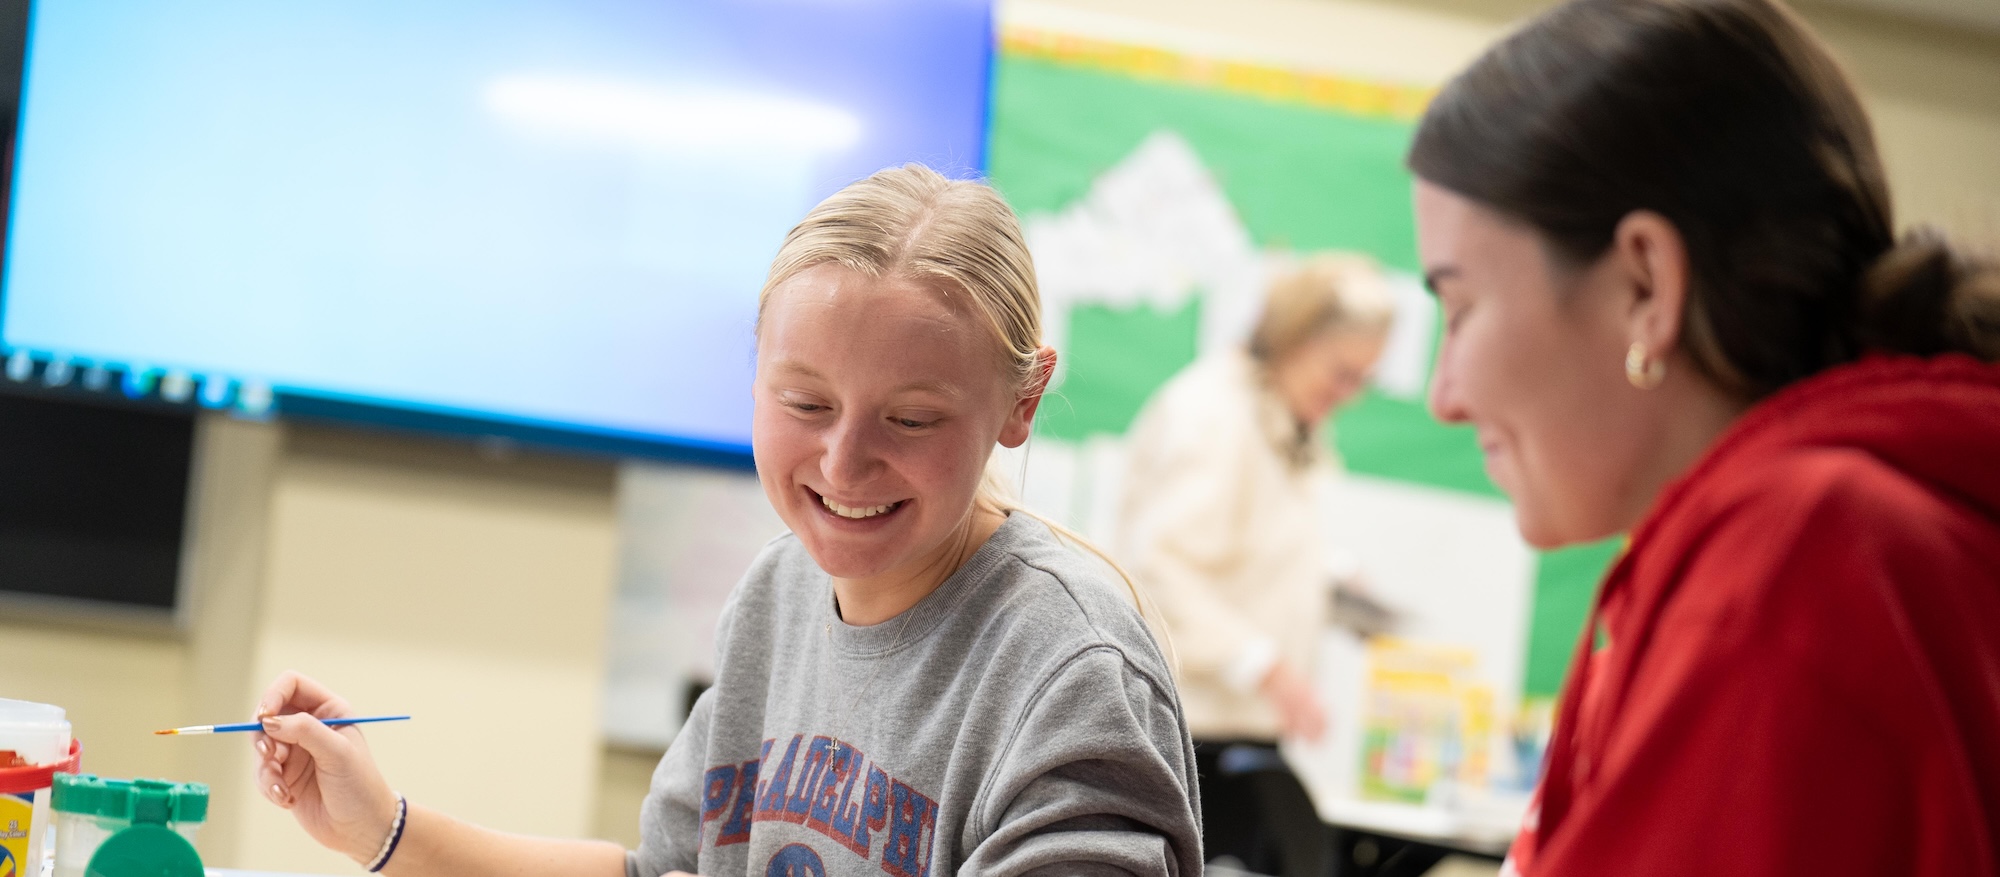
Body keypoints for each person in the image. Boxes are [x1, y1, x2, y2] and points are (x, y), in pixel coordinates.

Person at [250, 165, 1203, 877]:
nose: (843, 463)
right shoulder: (778, 595)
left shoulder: (1073, 672)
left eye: (911, 420)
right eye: (804, 403)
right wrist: (383, 826)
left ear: (1021, 401)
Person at [1406, 0, 2000, 872]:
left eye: (1461, 309)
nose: (1443, 396)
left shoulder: (1797, 551)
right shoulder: (1887, 529)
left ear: (1647, 284)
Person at [1114, 254, 1394, 872]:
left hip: (1236, 738)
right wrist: (1265, 666)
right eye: (1341, 373)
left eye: (1363, 381)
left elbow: (1250, 549)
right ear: (1295, 340)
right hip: (1187, 738)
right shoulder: (1212, 415)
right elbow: (1161, 568)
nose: (1347, 396)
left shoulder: (1280, 419)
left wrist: (1334, 585)